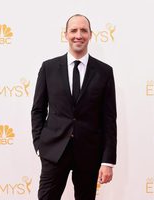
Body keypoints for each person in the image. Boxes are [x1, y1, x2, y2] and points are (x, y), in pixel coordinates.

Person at [31, 14, 117, 200]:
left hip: (89, 152)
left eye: (83, 30)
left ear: (90, 35)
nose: (78, 35)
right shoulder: (49, 68)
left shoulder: (104, 72)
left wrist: (107, 160)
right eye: (74, 30)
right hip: (53, 151)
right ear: (66, 34)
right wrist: (39, 144)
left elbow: (109, 119)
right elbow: (38, 109)